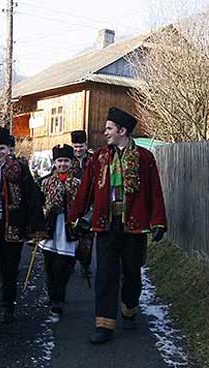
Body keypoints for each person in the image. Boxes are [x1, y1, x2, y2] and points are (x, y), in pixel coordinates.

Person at [68, 107, 167, 344]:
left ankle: (129, 308)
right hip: (106, 225)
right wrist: (76, 217)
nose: (106, 133)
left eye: (109, 129)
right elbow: (85, 191)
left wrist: (159, 221)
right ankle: (104, 325)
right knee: (105, 275)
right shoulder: (99, 158)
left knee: (132, 273)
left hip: (134, 227)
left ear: (122, 131)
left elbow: (155, 191)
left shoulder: (145, 158)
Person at [0, 126, 44, 334]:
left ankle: (7, 307)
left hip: (12, 226)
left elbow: (32, 197)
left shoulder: (20, 169)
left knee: (10, 271)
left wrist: (36, 226)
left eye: (2, 148)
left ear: (8, 149)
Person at [39, 144, 81, 321]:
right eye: (59, 161)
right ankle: (52, 294)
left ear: (71, 163)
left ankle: (58, 299)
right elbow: (40, 203)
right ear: (54, 162)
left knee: (63, 266)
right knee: (50, 265)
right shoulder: (46, 182)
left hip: (68, 229)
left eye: (66, 161)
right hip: (50, 228)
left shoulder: (77, 183)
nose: (62, 164)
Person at [69, 130, 94, 278]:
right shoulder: (67, 159)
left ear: (86, 145)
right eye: (76, 146)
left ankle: (85, 265)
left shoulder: (93, 160)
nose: (78, 149)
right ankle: (69, 263)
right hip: (71, 205)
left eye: (81, 146)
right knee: (71, 236)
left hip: (89, 205)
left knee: (87, 238)